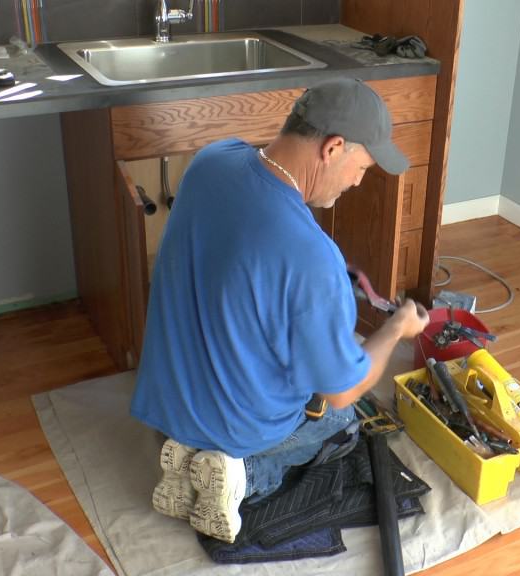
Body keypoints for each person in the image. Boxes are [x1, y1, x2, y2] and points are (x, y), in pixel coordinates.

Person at [129, 77, 430, 544]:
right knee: (343, 425)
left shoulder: (211, 161)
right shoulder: (312, 255)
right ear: (333, 148)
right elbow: (343, 390)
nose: (358, 180)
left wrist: (321, 286)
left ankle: (184, 455)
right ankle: (241, 472)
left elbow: (245, 261)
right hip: (236, 425)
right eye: (363, 166)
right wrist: (396, 328)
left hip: (167, 400)